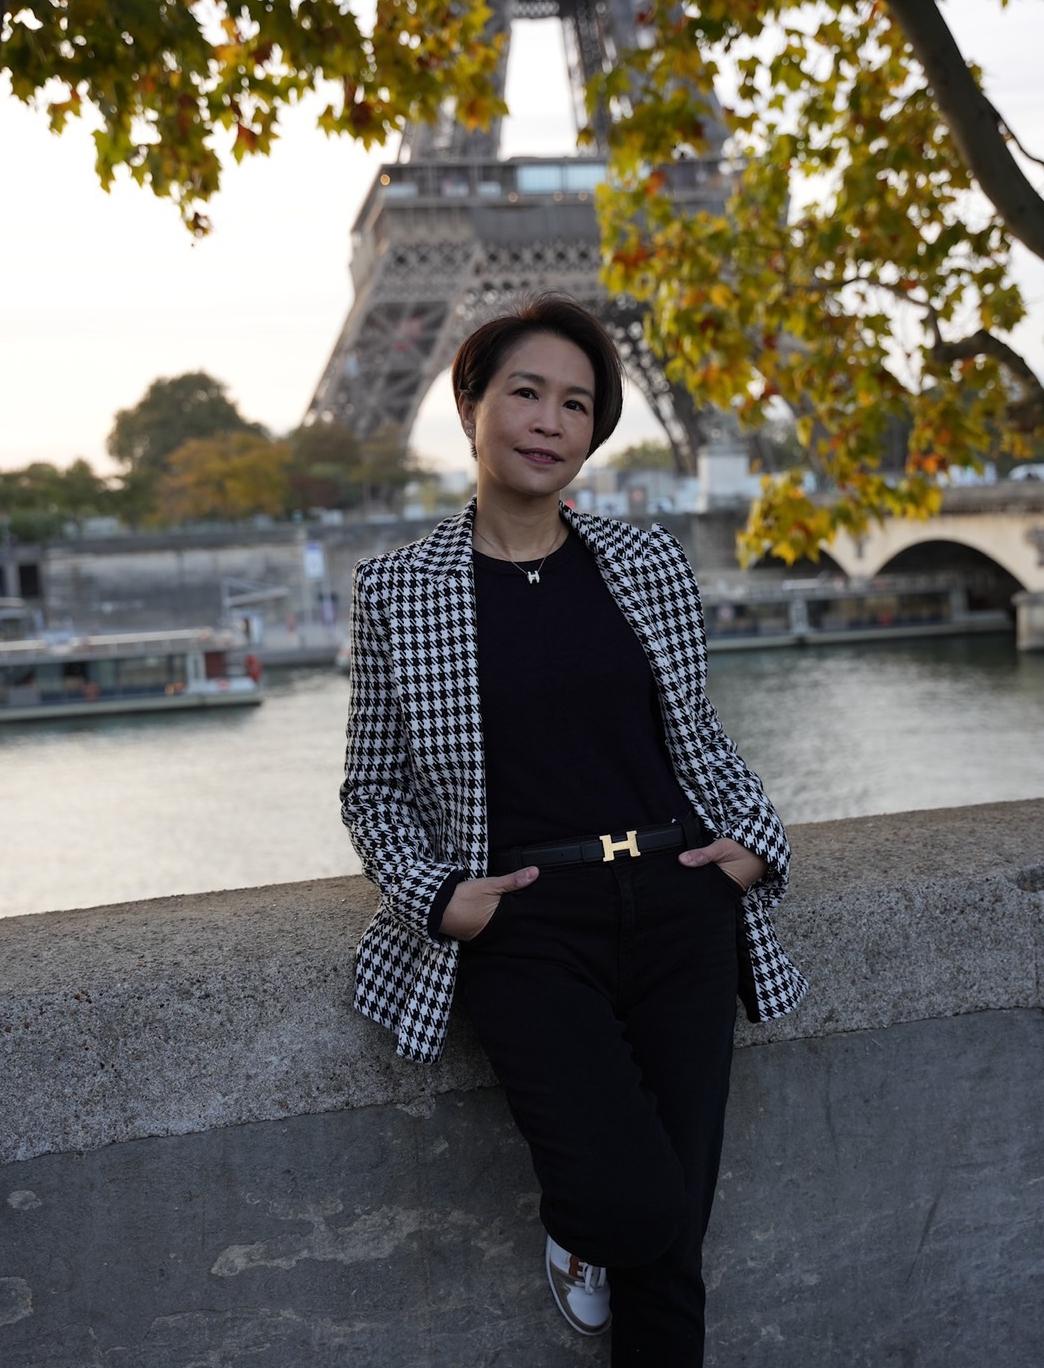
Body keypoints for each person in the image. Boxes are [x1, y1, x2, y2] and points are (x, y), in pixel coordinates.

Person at [340, 293, 808, 1365]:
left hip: (681, 902)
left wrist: (750, 846)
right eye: (526, 393)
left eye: (577, 404)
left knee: (673, 1259)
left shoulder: (648, 563)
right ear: (470, 406)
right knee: (636, 1206)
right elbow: (372, 789)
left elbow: (699, 736)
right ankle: (585, 1224)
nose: (550, 421)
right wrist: (439, 898)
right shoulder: (398, 588)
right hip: (527, 924)